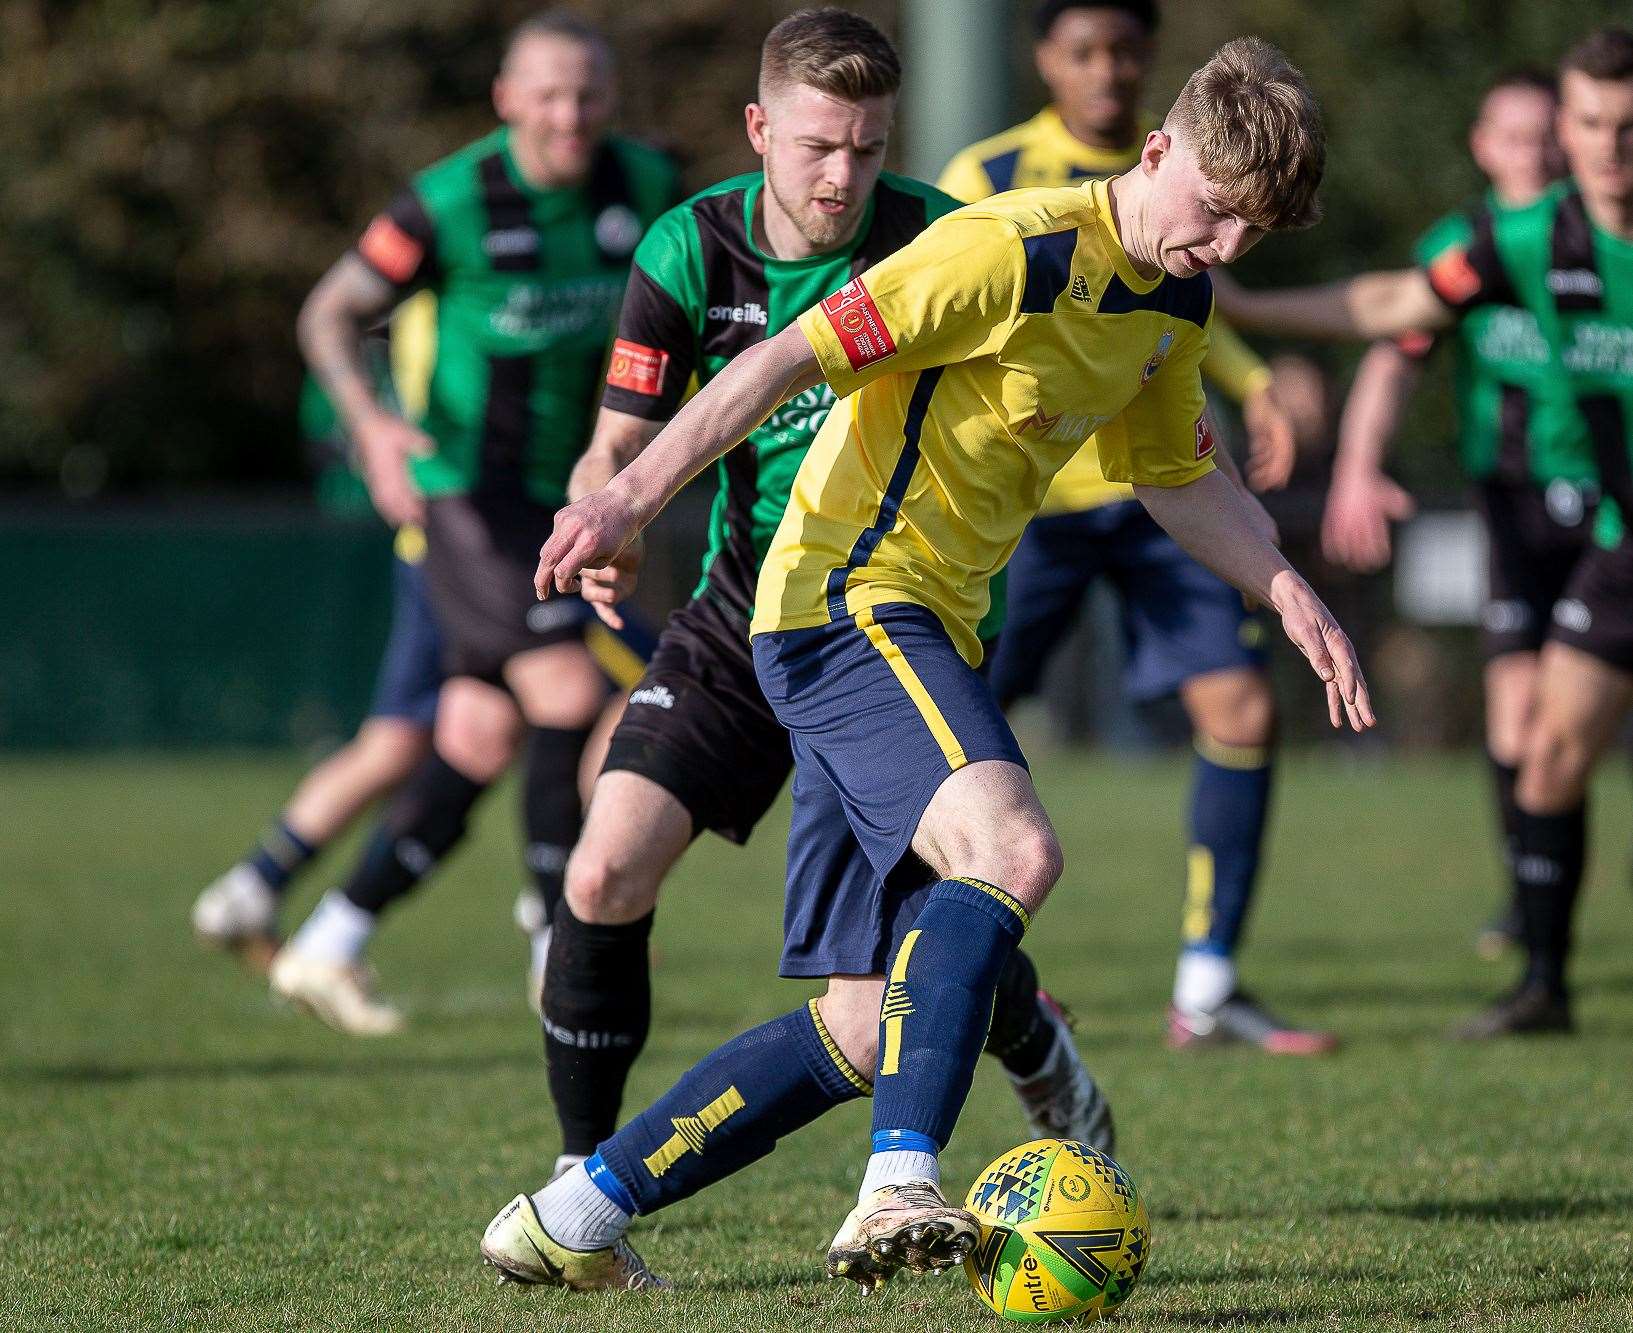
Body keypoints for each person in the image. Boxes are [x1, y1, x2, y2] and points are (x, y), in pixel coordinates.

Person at [483, 37, 1369, 1295]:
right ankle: (900, 1176)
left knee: (863, 1020)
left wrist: (1284, 586)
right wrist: (626, 495)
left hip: (931, 624)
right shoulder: (1006, 247)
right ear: (1158, 152)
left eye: (1253, 233)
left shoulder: (1172, 300)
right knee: (1011, 850)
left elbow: (1172, 473)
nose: (1224, 248)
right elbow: (785, 356)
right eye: (1215, 213)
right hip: (843, 602)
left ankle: (573, 1210)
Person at [536, 7, 1111, 1196]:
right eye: (815, 145)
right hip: (745, 608)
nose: (841, 174)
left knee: (909, 940)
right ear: (758, 128)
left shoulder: (942, 240)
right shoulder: (690, 250)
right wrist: (609, 517)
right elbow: (616, 444)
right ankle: (579, 1172)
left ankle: (1027, 1035)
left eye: (865, 145)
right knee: (601, 871)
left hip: (900, 617)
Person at [1217, 27, 1633, 1038]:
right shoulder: (1518, 240)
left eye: (1626, 127)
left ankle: (1542, 977)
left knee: (1545, 748)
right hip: (1577, 521)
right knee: (1540, 749)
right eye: (1589, 125)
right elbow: (1397, 308)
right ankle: (1543, 983)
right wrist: (1247, 303)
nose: (1606, 149)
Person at [268, 12, 679, 1033]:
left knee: (478, 730)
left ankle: (329, 938)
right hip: (461, 491)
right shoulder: (449, 199)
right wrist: (369, 426)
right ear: (505, 99)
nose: (568, 113)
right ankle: (554, 932)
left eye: (586, 93)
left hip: (576, 492)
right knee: (568, 686)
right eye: (546, 93)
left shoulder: (646, 187)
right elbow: (327, 310)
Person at [938, 0, 1328, 1053]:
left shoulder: (1214, 187)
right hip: (1031, 509)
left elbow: (1179, 324)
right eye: (1083, 51)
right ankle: (941, 970)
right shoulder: (993, 178)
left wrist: (1255, 392)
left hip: (1154, 488)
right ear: (1045, 59)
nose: (1105, 71)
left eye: (1123, 51)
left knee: (1242, 706)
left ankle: (1206, 988)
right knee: (954, 747)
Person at [1321, 71, 1581, 960]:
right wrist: (1358, 463)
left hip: (1607, 501)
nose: (1532, 154)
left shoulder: (1604, 235)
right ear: (1481, 145)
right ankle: (1528, 896)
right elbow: (1397, 354)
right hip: (1509, 499)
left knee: (1566, 717)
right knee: (1516, 716)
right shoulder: (1462, 246)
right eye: (1514, 137)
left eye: (1546, 136)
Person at [192, 305, 444, 975]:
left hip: (431, 547)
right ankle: (568, 923)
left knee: (396, 742)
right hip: (458, 550)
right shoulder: (459, 280)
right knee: (572, 703)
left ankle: (254, 885)